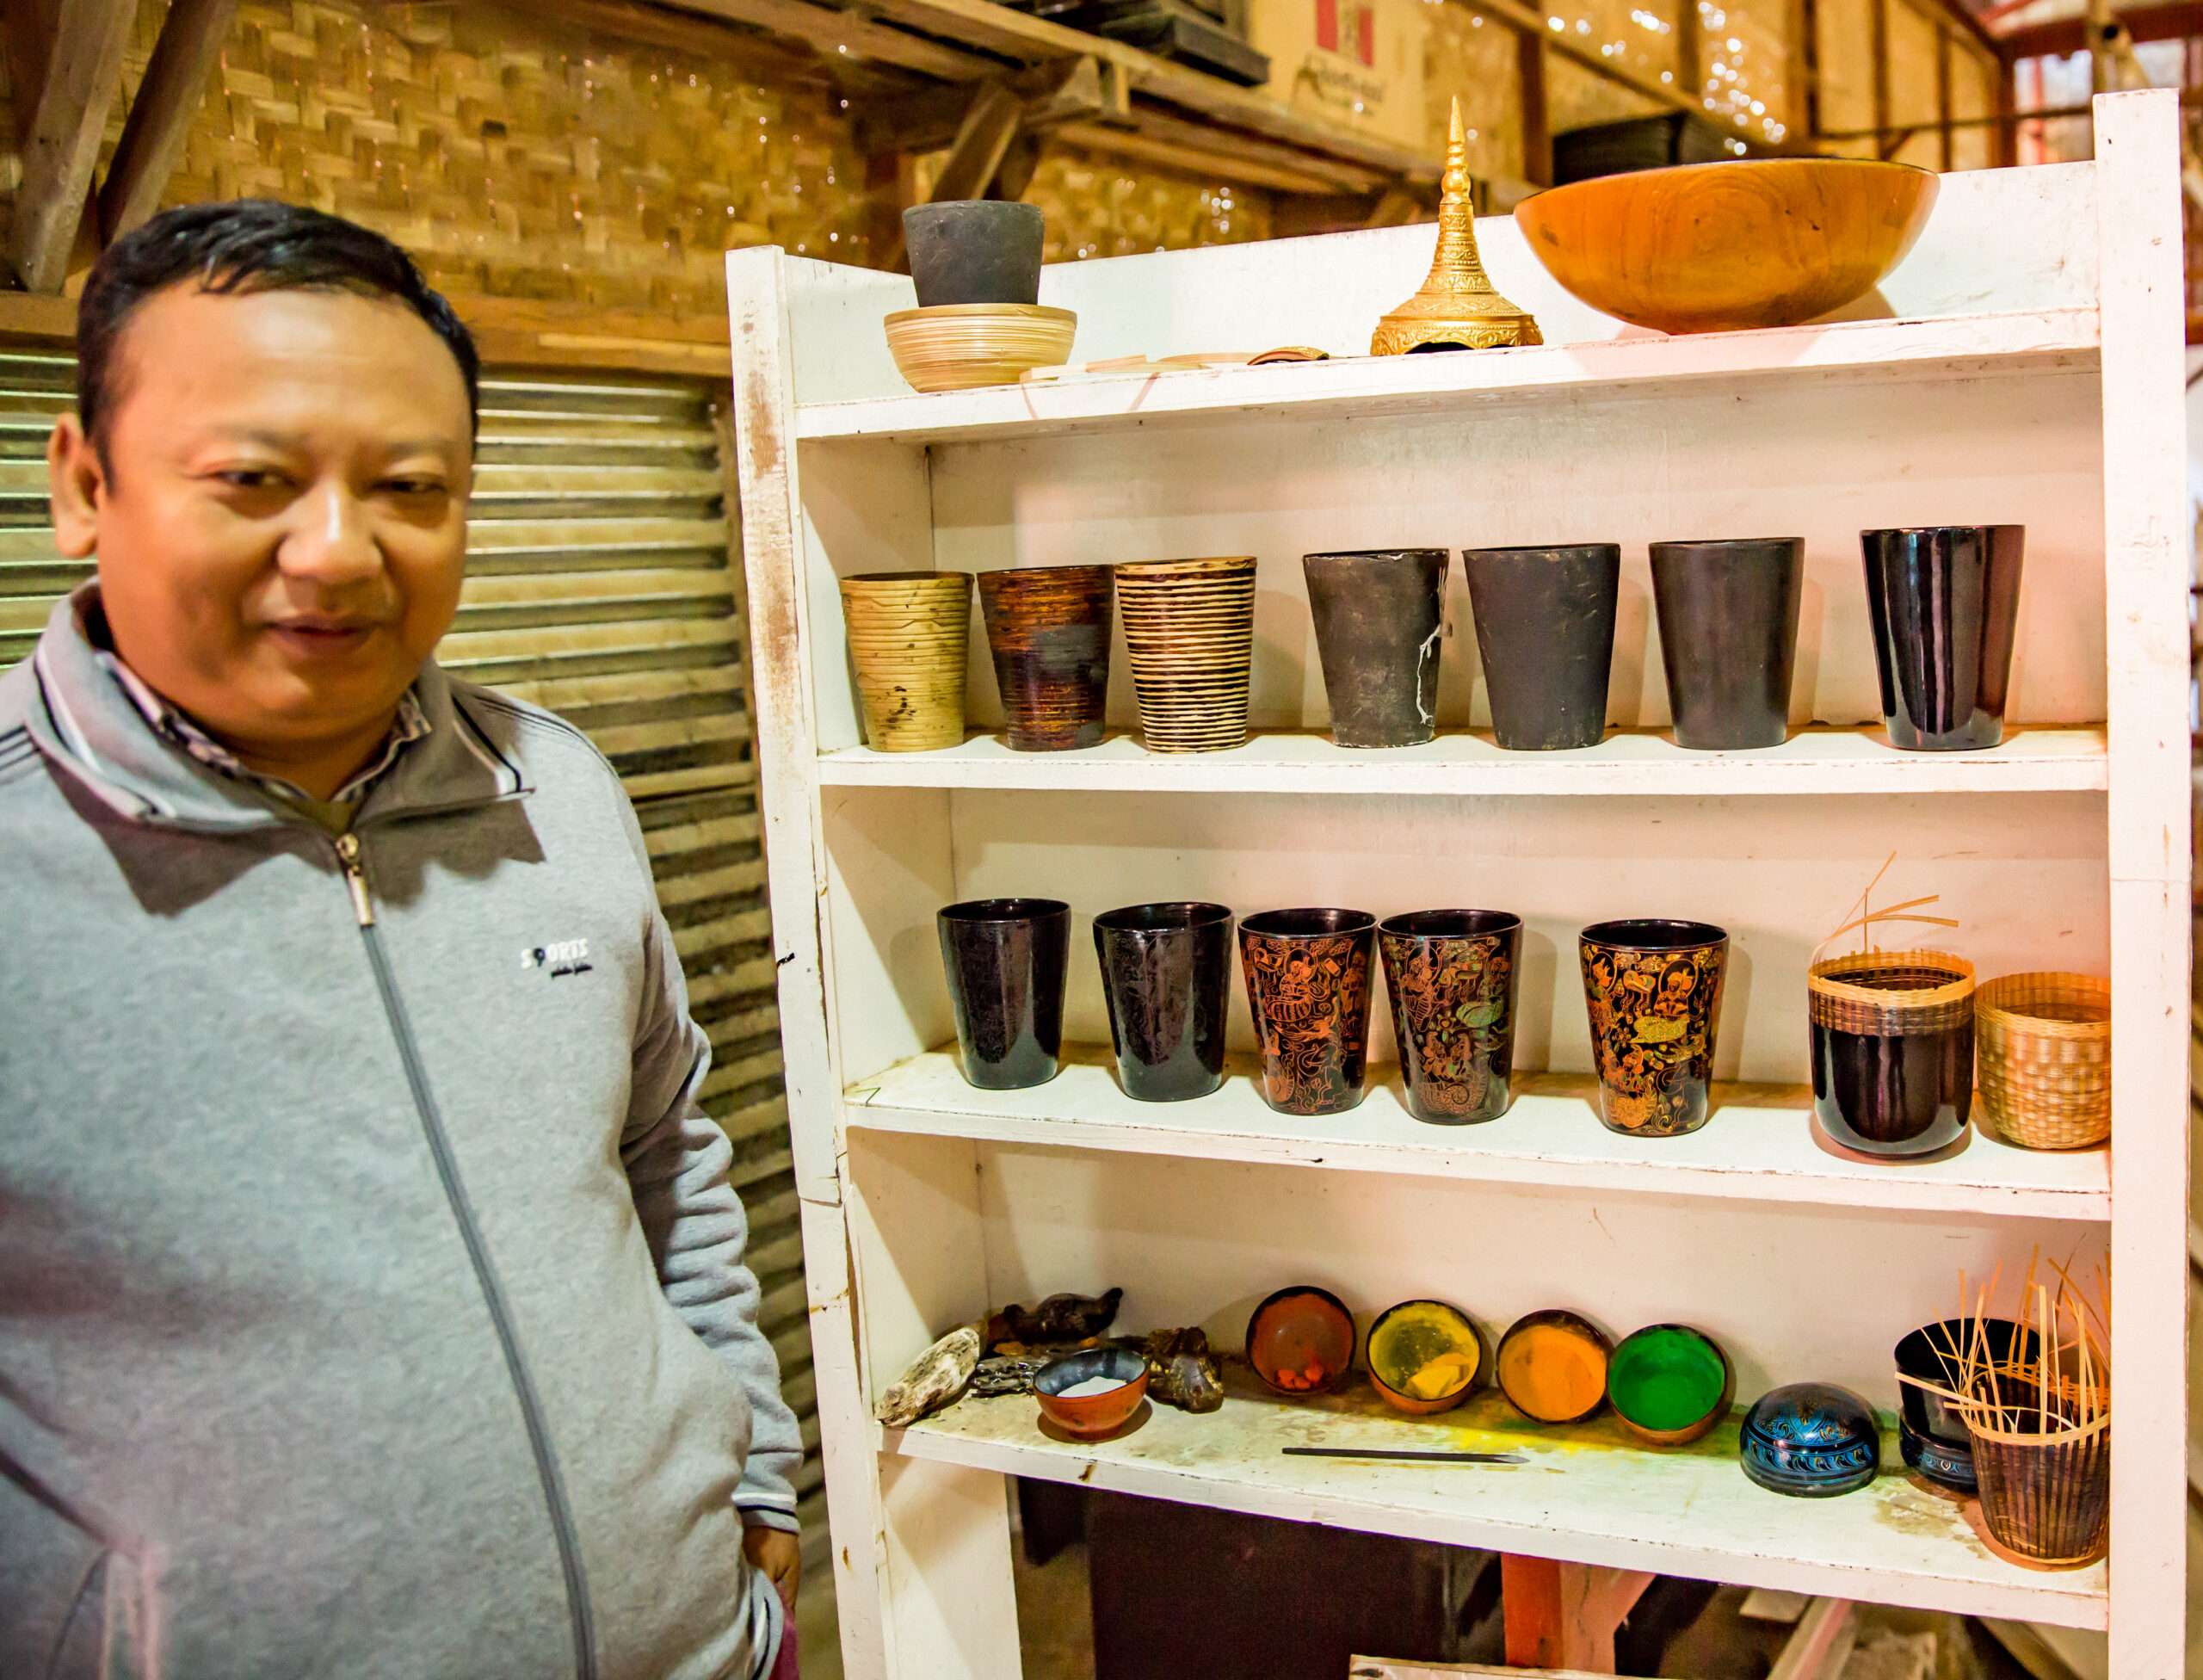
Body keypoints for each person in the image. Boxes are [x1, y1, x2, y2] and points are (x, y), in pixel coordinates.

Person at [0, 201, 804, 1680]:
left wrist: (751, 1472)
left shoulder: (551, 786)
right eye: (254, 479)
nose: (336, 552)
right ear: (82, 484)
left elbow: (666, 1152)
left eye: (410, 488)